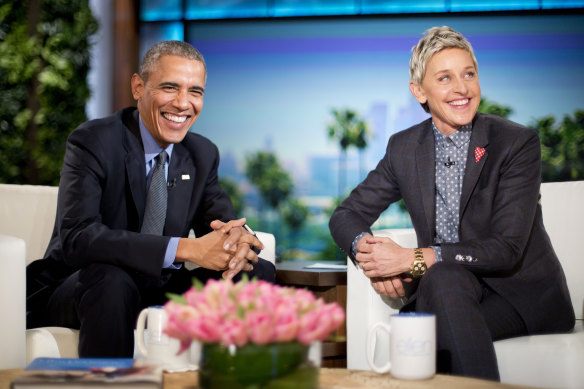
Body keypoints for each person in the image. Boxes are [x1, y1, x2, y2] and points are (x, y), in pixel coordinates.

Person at [329, 26, 574, 381]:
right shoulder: (404, 147)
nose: (462, 88)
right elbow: (347, 214)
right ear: (419, 92)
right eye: (445, 78)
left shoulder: (516, 142)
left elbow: (506, 248)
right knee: (441, 283)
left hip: (518, 296)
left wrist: (410, 258)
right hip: (447, 287)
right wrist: (370, 254)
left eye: (469, 74)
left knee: (433, 309)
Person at [26, 40, 275, 357]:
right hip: (81, 285)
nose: (183, 103)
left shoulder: (201, 153)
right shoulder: (93, 141)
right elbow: (79, 237)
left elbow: (222, 222)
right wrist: (186, 248)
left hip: (158, 287)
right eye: (170, 88)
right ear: (138, 87)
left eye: (195, 92)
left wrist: (237, 240)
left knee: (256, 271)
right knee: (112, 281)